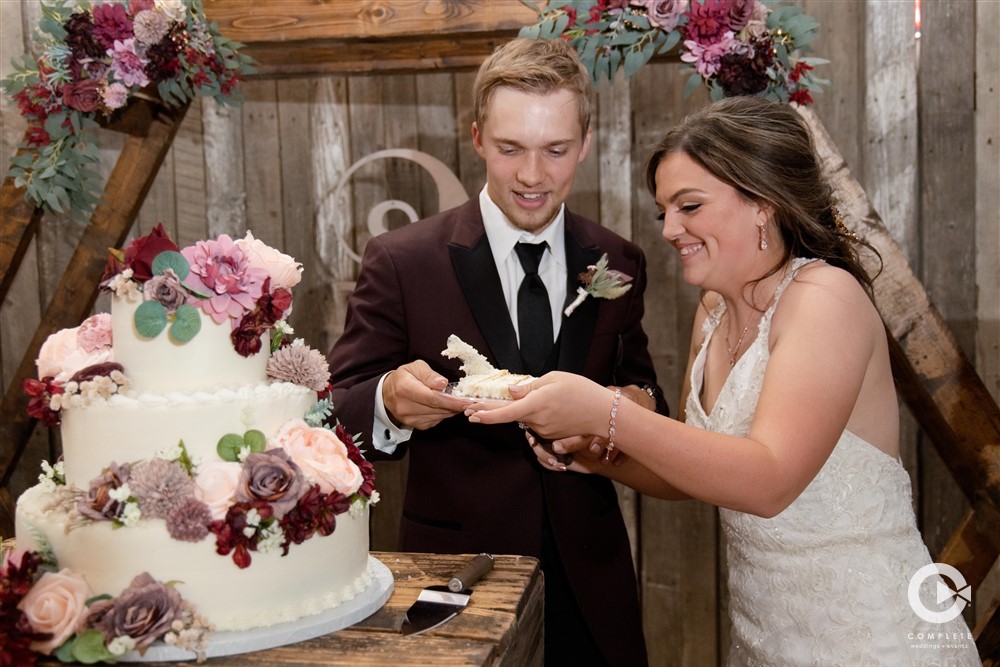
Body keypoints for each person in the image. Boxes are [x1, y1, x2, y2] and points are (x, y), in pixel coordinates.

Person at [468, 96, 983, 666]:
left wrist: (606, 413)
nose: (669, 229)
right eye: (664, 210)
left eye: (689, 206)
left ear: (762, 203)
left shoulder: (824, 299)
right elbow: (701, 472)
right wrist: (593, 452)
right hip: (765, 633)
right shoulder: (714, 309)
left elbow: (768, 481)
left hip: (867, 634)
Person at [327, 37, 666, 666]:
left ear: (584, 145)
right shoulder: (403, 261)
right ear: (478, 138)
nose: (532, 176)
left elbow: (643, 390)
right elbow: (331, 421)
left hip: (592, 578)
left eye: (555, 151)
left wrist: (622, 409)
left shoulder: (617, 260)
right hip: (457, 573)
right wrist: (388, 404)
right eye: (510, 149)